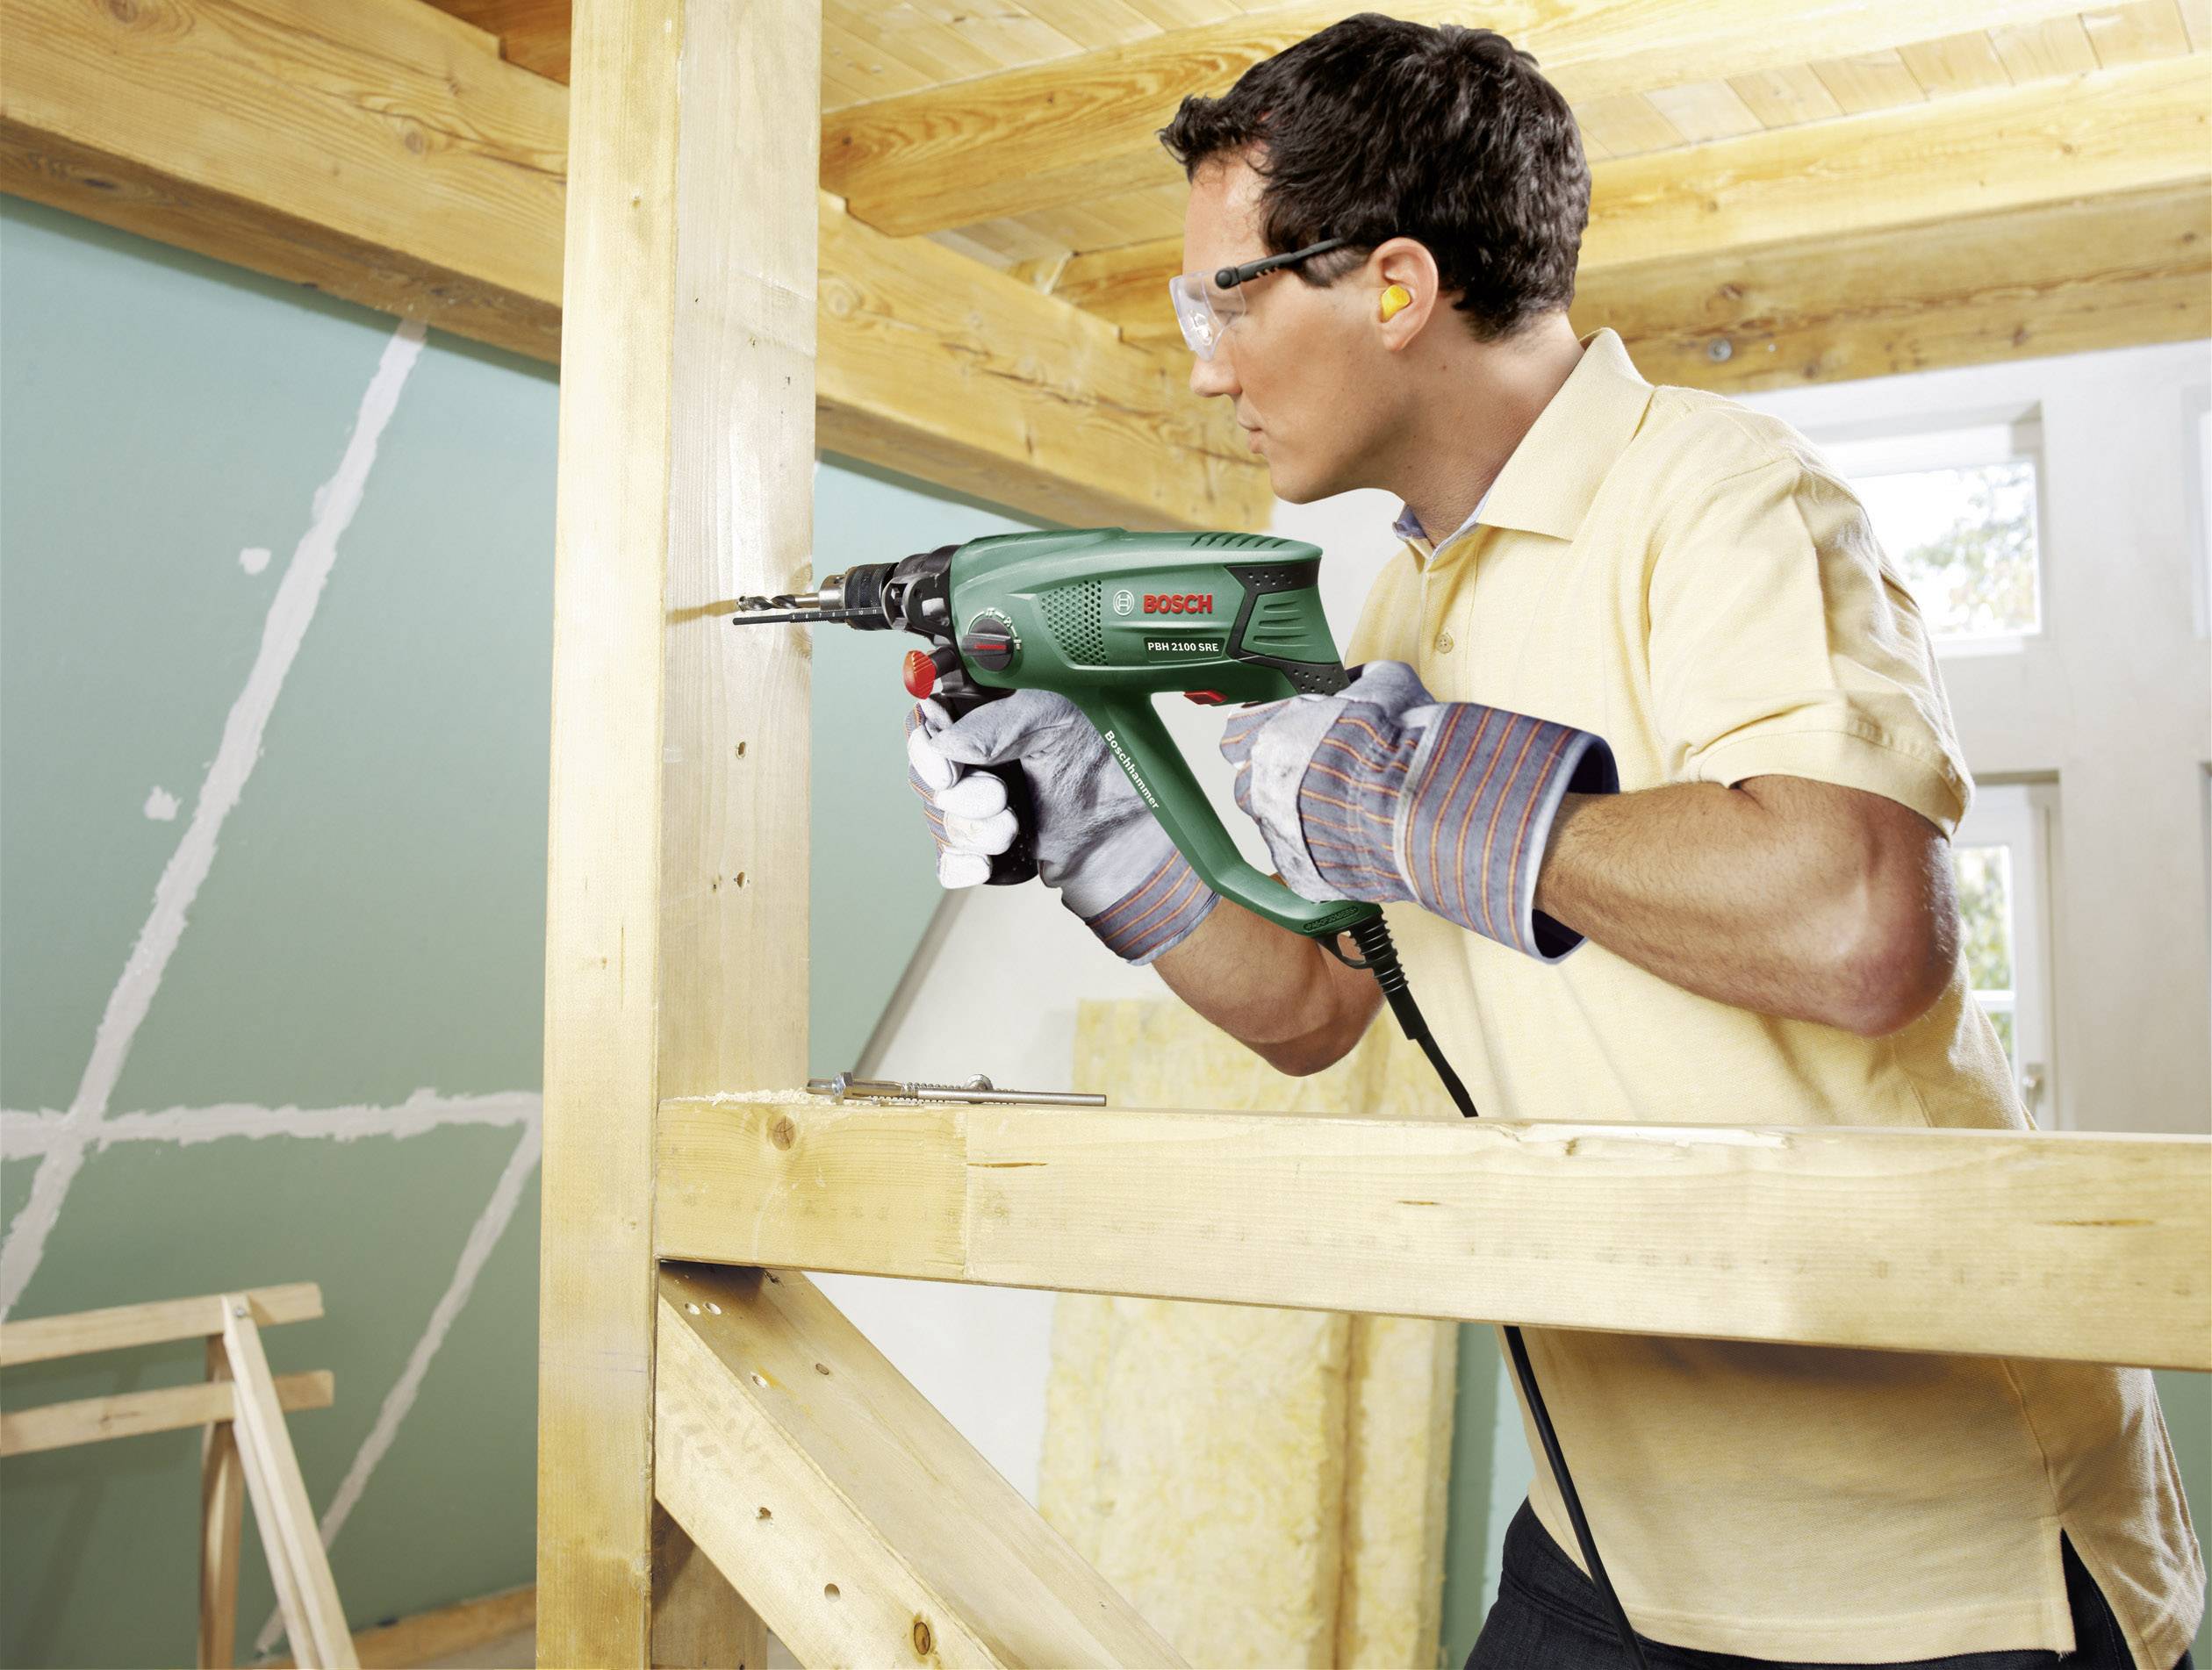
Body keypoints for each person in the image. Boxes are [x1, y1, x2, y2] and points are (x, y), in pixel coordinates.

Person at [901, 15, 2204, 1668]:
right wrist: (1101, 820)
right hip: (1609, 1539)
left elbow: (1856, 924)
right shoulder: (1405, 600)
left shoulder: (1724, 499)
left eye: (1224, 295)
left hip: (1929, 1568)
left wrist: (1418, 796)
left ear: (1392, 285)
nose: (1204, 361)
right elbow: (1316, 1010)